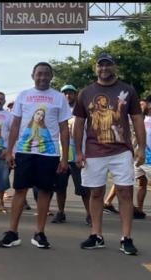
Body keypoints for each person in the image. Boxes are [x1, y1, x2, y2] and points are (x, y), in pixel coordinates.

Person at [73, 52, 146, 255]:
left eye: (108, 65)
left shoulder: (127, 90)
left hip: (121, 150)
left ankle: (126, 238)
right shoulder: (85, 93)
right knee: (95, 193)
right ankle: (96, 235)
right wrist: (78, 151)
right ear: (96, 69)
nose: (104, 69)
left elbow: (137, 119)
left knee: (124, 191)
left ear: (114, 67)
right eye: (100, 65)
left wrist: (142, 147)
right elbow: (79, 124)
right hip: (94, 151)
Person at [0, 62, 69, 249]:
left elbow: (64, 129)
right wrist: (9, 150)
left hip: (49, 154)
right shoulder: (23, 95)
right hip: (24, 151)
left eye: (46, 74)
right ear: (33, 75)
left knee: (45, 192)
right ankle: (12, 232)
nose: (43, 77)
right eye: (39, 74)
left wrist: (64, 158)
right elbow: (15, 125)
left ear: (51, 76)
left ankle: (40, 233)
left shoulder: (59, 98)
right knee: (20, 190)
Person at [52, 83, 91, 225]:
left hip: (77, 156)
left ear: (76, 94)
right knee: (60, 187)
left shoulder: (82, 111)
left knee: (83, 188)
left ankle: (90, 214)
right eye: (65, 93)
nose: (68, 95)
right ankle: (61, 212)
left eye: (71, 93)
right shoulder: (57, 111)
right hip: (62, 155)